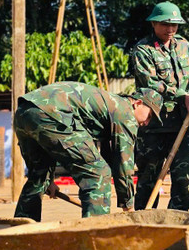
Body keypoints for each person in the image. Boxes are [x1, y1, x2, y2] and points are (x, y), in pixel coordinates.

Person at [13, 83, 163, 219]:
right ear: (138, 103)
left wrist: (49, 180)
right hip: (51, 112)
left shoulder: (110, 105)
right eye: (149, 116)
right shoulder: (126, 113)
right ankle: (94, 231)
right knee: (98, 173)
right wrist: (128, 205)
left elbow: (109, 156)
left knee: (39, 175)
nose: (147, 123)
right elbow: (123, 163)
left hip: (25, 111)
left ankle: (21, 230)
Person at [131, 1, 189, 210]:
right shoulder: (143, 50)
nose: (170, 29)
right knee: (148, 178)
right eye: (165, 24)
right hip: (154, 125)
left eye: (174, 24)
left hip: (182, 123)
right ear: (153, 24)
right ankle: (146, 221)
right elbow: (151, 83)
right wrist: (182, 95)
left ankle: (177, 219)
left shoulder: (183, 45)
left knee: (183, 179)